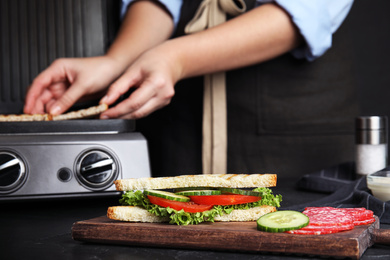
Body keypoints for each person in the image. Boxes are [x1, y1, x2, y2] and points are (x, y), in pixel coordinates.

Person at [24, 0, 358, 179]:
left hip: (294, 137)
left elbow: (304, 11)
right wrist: (115, 62)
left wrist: (176, 58)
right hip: (174, 136)